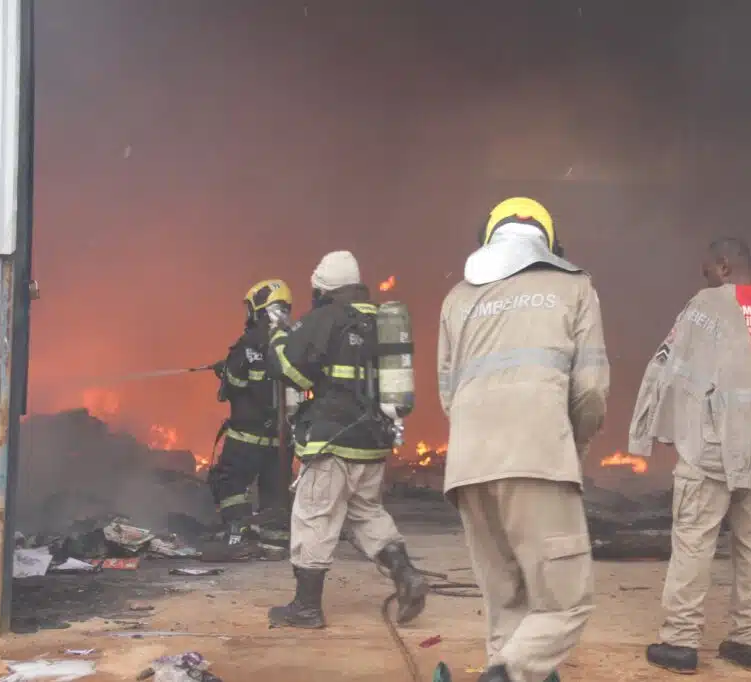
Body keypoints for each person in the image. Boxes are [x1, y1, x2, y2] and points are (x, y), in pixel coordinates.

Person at [437, 197, 610, 682]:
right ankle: (504, 677)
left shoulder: (457, 297)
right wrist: (567, 449)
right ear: (550, 241)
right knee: (566, 602)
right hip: (538, 456)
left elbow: (449, 393)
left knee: (506, 601)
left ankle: (509, 668)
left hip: (469, 468)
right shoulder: (575, 287)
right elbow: (592, 391)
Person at [628, 237, 751, 674]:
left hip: (719, 439)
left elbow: (674, 369)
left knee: (694, 537)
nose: (703, 278)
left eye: (706, 269)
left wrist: (665, 426)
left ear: (723, 266)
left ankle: (681, 642)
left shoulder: (705, 308)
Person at [265, 250, 428, 629]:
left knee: (314, 516)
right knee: (366, 512)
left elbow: (292, 372)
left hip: (331, 440)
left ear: (322, 288)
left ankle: (306, 607)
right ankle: (406, 575)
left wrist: (276, 335)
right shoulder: (378, 320)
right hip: (372, 439)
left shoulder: (325, 317)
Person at [206, 279, 295, 560]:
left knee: (229, 483)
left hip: (246, 437)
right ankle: (276, 544)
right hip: (282, 439)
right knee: (275, 492)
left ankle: (239, 535)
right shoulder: (292, 344)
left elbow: (234, 384)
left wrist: (224, 369)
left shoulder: (248, 344)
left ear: (261, 308)